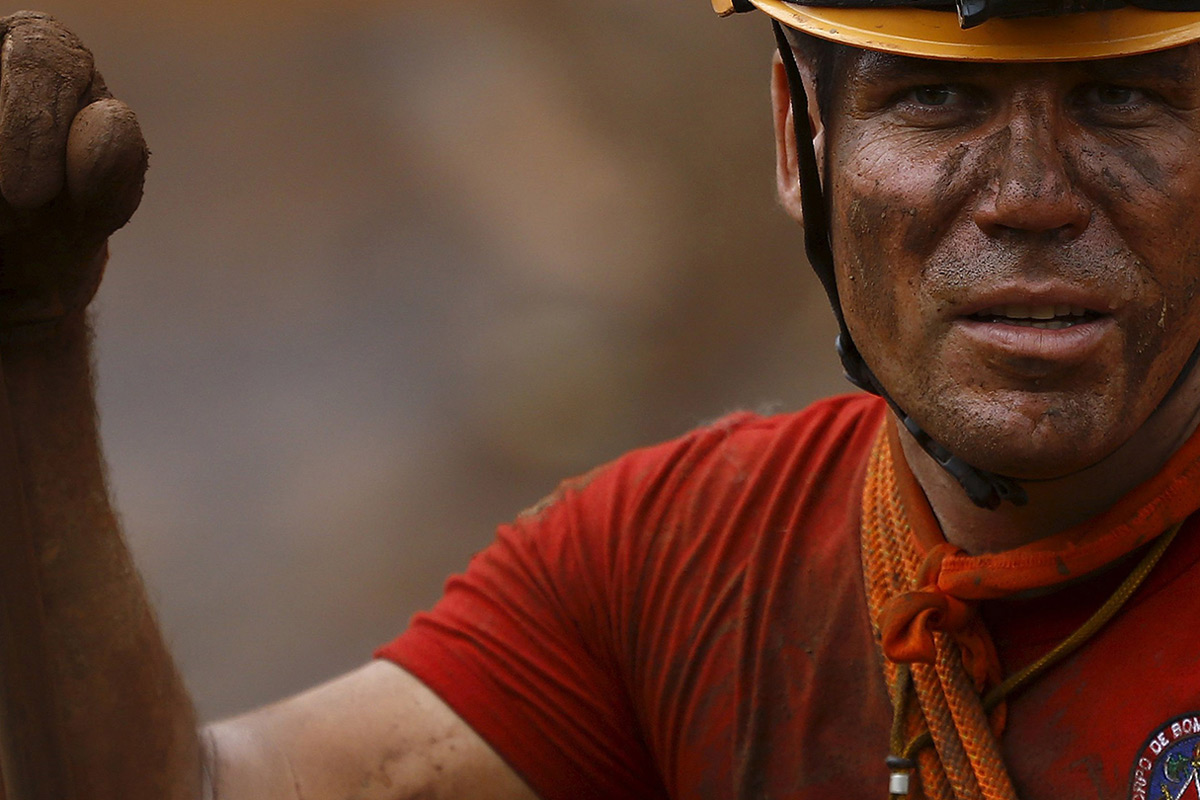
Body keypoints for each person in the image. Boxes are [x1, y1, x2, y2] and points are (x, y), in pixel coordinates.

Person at [0, 1, 1199, 798]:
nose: (1034, 195)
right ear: (799, 144)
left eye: (1122, 98)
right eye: (938, 100)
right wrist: (29, 345)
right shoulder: (685, 559)